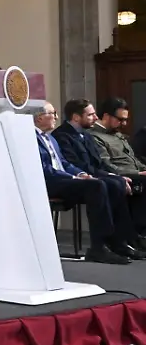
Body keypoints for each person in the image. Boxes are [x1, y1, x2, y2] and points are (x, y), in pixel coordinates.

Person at [34, 104, 132, 264]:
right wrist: (73, 178)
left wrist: (81, 174)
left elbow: (64, 163)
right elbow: (45, 169)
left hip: (65, 180)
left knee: (106, 183)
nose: (56, 117)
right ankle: (98, 247)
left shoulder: (50, 138)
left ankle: (117, 241)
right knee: (96, 186)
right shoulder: (31, 138)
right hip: (50, 183)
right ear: (39, 118)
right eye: (53, 113)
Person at [87, 97, 146, 245]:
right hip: (120, 176)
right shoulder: (95, 137)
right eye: (120, 119)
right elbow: (107, 166)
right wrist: (138, 174)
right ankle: (138, 236)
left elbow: (134, 160)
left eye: (125, 120)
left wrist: (143, 169)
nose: (124, 124)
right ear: (106, 116)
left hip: (136, 174)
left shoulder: (118, 135)